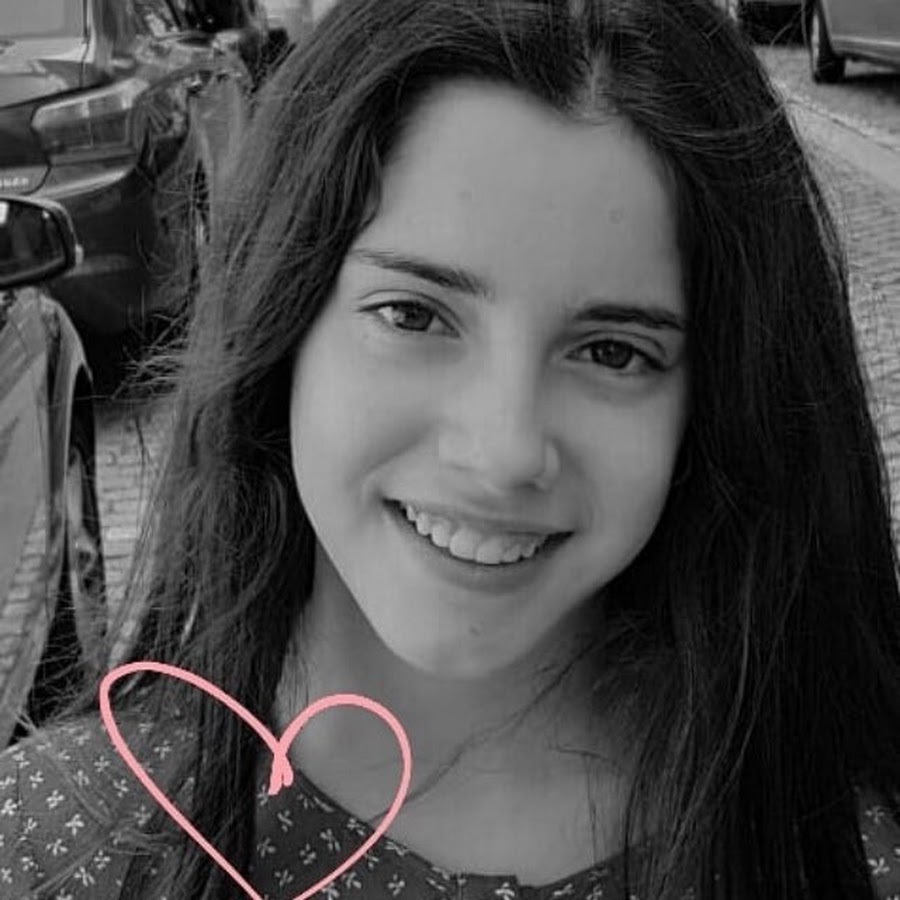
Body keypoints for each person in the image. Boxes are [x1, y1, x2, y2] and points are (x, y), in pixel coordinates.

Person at [3, 0, 900, 897]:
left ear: (717, 401)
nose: (504, 452)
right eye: (413, 314)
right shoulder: (47, 850)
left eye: (613, 352)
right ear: (280, 323)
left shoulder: (852, 849)